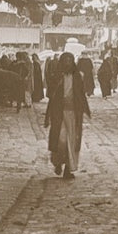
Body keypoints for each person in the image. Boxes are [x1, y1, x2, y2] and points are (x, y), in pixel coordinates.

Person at [46, 51, 91, 180]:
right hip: (59, 114)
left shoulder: (77, 77)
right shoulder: (56, 77)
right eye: (65, 60)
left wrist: (84, 109)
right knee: (60, 140)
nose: (67, 63)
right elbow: (51, 95)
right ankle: (58, 163)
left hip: (73, 115)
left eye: (69, 61)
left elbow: (80, 95)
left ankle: (68, 168)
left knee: (71, 142)